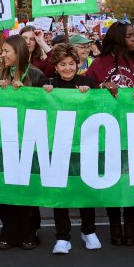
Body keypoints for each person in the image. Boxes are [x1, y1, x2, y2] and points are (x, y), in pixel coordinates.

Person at [86, 22, 134, 245]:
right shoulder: (98, 64)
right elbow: (84, 93)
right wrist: (100, 87)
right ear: (117, 38)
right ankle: (115, 225)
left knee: (133, 179)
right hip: (108, 133)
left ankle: (130, 226)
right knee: (113, 179)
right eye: (129, 36)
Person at [41, 44, 100, 254]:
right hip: (56, 146)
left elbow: (100, 109)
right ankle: (62, 236)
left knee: (85, 188)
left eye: (71, 64)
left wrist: (89, 95)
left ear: (78, 64)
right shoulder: (46, 84)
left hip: (84, 146)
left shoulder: (88, 82)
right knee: (60, 190)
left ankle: (88, 230)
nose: (67, 68)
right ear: (55, 67)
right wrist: (44, 95)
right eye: (63, 64)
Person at [0, 35, 45, 250]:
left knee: (27, 187)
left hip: (29, 140)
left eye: (6, 51)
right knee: (6, 186)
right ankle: (8, 230)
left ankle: (29, 231)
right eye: (2, 51)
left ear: (19, 52)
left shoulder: (36, 74)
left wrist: (27, 94)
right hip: (5, 139)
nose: (2, 55)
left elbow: (44, 107)